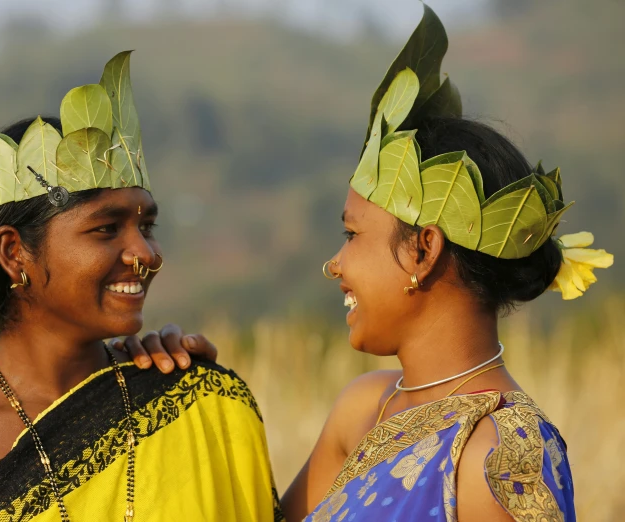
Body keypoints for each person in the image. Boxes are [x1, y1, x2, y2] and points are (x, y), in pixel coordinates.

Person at [143, 6, 613, 522]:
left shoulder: (501, 461)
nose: (335, 264)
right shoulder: (366, 406)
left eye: (352, 234)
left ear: (423, 250)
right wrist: (190, 394)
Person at [0, 52, 283, 522]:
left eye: (148, 226)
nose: (146, 254)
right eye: (106, 229)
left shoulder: (195, 402)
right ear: (13, 253)